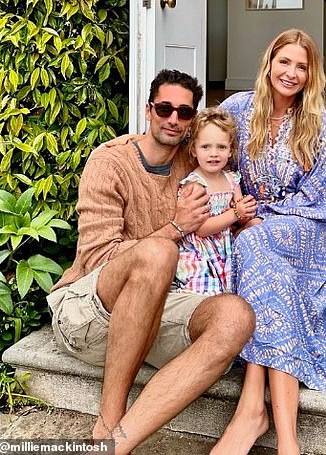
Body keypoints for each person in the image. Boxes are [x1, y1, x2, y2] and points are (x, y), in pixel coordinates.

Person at [46, 69, 255, 454]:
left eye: (184, 113)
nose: (173, 119)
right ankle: (108, 420)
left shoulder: (196, 166)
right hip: (89, 311)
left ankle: (118, 443)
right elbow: (96, 258)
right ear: (148, 110)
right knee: (161, 252)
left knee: (236, 316)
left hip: (157, 312)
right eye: (164, 108)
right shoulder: (110, 162)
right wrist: (175, 227)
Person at [213, 29, 326, 455]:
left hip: (309, 225)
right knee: (261, 257)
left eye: (302, 67)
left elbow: (320, 196)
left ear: (311, 76)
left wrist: (258, 217)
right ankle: (284, 436)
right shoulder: (238, 108)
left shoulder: (315, 123)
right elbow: (199, 143)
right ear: (269, 63)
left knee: (254, 243)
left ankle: (253, 410)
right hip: (255, 226)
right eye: (285, 62)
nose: (291, 73)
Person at [174, 107, 257, 295]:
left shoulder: (231, 180)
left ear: (230, 151)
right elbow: (201, 229)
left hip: (224, 244)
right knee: (208, 292)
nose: (214, 154)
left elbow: (239, 217)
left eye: (221, 147)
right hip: (200, 250)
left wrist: (245, 211)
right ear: (194, 149)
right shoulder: (195, 185)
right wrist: (235, 213)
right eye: (206, 147)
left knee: (256, 225)